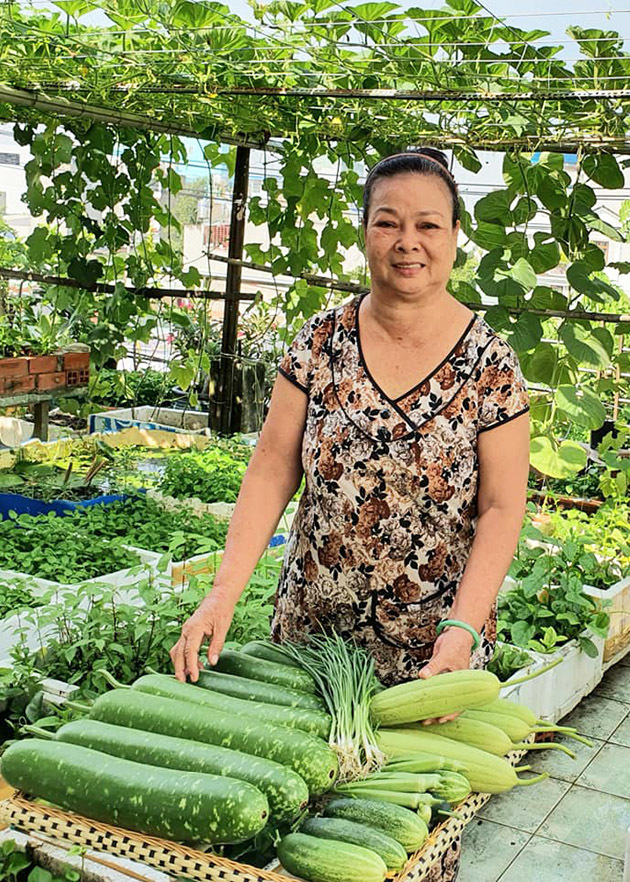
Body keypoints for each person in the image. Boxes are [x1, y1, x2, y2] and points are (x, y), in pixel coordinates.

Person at [171, 147, 530, 881]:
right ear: (364, 231)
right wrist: (221, 592)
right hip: (309, 648)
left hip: (429, 659)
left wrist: (460, 635)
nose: (408, 242)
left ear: (455, 236)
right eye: (388, 222)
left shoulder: (492, 364)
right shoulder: (320, 341)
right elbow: (274, 465)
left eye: (428, 224)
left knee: (401, 845)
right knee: (297, 832)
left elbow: (501, 509)